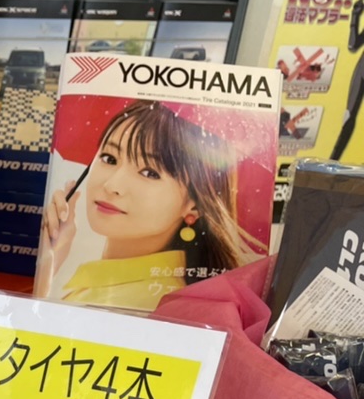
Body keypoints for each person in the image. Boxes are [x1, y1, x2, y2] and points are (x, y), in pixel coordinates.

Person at [40, 100, 260, 311]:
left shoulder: (149, 301)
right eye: (109, 158)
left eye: (149, 173)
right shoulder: (102, 285)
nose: (112, 185)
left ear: (194, 205)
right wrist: (51, 260)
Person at [330, 0, 364, 161]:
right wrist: (355, 15)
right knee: (349, 116)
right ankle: (332, 161)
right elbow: (353, 45)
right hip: (362, 71)